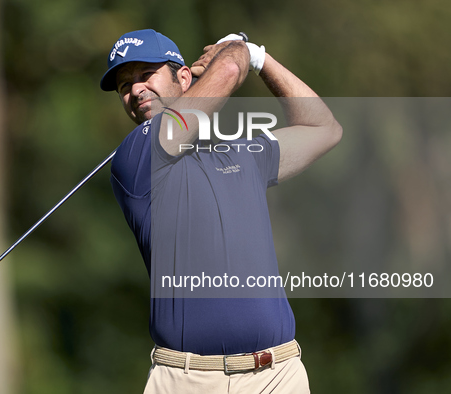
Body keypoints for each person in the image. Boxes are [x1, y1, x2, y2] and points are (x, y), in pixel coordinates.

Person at [100, 29, 342, 393]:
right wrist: (237, 49)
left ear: (183, 77)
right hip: (187, 379)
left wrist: (261, 59)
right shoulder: (135, 160)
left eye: (145, 75)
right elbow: (228, 69)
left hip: (278, 375)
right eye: (124, 85)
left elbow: (324, 129)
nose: (134, 90)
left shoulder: (242, 155)